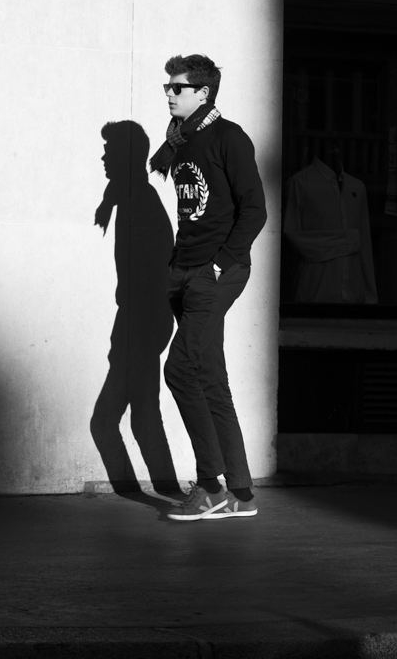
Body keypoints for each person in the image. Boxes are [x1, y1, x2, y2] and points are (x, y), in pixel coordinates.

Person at [148, 54, 267, 521]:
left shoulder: (228, 137)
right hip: (184, 269)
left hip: (216, 273)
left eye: (177, 88)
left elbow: (253, 209)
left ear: (203, 93)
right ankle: (240, 492)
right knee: (210, 379)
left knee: (179, 370)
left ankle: (211, 484)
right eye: (168, 87)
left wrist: (219, 264)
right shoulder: (182, 138)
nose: (170, 94)